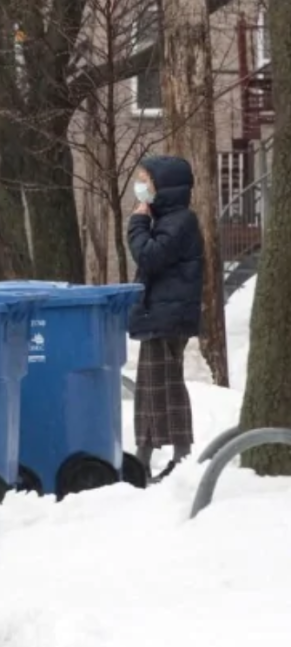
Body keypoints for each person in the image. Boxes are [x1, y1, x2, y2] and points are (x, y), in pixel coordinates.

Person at [127, 155, 204, 482]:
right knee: (152, 386)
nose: (140, 187)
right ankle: (147, 455)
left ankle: (175, 455)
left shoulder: (180, 222)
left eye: (146, 180)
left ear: (165, 188)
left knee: (163, 385)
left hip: (168, 316)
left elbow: (149, 256)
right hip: (162, 313)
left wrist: (138, 223)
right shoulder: (169, 220)